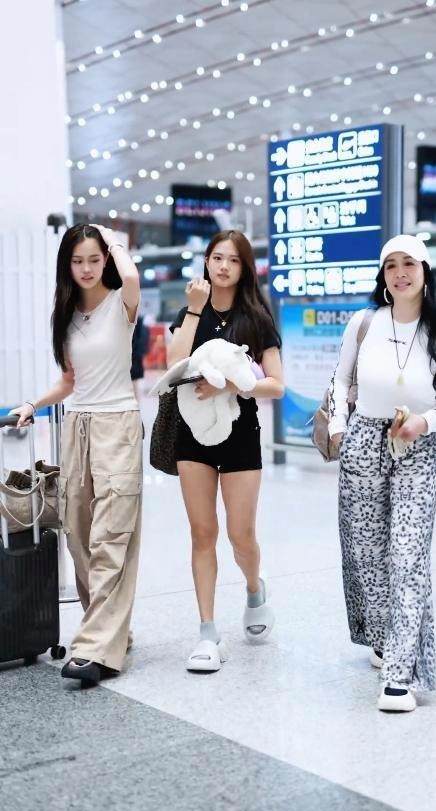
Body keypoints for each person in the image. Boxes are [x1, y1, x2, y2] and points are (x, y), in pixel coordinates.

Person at [12, 223, 142, 685]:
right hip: (76, 427)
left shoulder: (122, 302)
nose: (86, 269)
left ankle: (96, 648)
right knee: (79, 535)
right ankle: (110, 630)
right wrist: (33, 404)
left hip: (118, 425)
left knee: (111, 535)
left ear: (105, 259)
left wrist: (111, 238)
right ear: (66, 265)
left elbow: (130, 275)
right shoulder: (65, 314)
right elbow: (69, 382)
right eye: (77, 260)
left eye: (94, 259)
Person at [328, 234, 436, 712]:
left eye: (409, 263)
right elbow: (340, 378)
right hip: (364, 442)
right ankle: (386, 637)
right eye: (391, 265)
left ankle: (399, 675)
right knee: (368, 555)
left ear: (425, 271)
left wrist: (423, 423)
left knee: (408, 556)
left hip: (419, 445)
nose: (400, 272)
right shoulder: (365, 322)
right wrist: (338, 426)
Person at [167, 230, 284, 672]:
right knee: (202, 533)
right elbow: (173, 364)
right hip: (192, 434)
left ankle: (254, 588)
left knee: (240, 535)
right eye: (217, 257)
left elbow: (276, 384)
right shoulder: (189, 312)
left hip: (240, 435)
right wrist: (194, 309)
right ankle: (207, 631)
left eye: (233, 260)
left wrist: (231, 385)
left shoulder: (256, 318)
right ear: (206, 262)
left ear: (244, 268)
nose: (223, 266)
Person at [130, 314, 149, 401]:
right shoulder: (140, 323)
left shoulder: (138, 322)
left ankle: (135, 401)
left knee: (134, 382)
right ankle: (135, 401)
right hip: (134, 356)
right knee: (134, 383)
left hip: (134, 357)